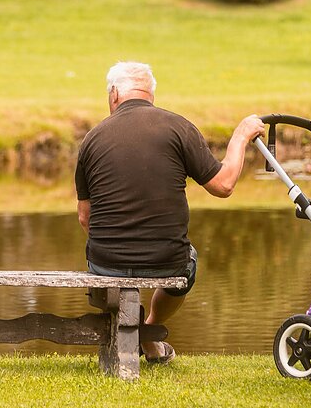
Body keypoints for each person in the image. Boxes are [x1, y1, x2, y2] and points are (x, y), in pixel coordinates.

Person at [75, 61, 265, 364]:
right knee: (187, 261)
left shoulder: (92, 139)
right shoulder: (178, 127)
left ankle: (139, 333)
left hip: (106, 263)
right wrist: (241, 136)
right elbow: (224, 185)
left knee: (103, 261)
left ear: (114, 95)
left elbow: (85, 217)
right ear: (150, 94)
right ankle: (149, 329)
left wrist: (117, 245)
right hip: (167, 262)